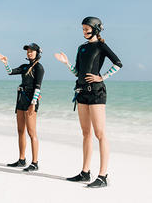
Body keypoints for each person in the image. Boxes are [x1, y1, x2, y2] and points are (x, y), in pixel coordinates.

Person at [54, 17, 122, 188]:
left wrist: (102, 77)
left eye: (87, 28)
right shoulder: (81, 48)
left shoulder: (100, 46)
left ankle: (103, 176)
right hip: (81, 92)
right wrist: (67, 63)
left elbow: (118, 63)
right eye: (83, 29)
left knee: (100, 134)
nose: (84, 31)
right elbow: (78, 73)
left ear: (96, 29)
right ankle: (85, 173)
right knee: (86, 133)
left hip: (97, 93)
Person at [0, 43, 44, 172]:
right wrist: (6, 62)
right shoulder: (24, 67)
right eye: (28, 51)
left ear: (37, 53)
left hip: (30, 100)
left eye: (32, 51)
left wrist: (33, 104)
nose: (29, 53)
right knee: (20, 131)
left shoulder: (39, 68)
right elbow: (10, 72)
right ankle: (21, 159)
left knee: (31, 132)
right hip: (21, 100)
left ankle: (34, 163)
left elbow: (38, 87)